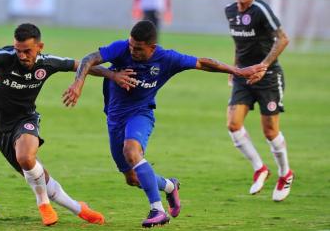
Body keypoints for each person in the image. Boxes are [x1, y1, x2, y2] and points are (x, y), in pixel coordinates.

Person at [62, 20, 266, 228]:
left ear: (152, 47)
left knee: (131, 150)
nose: (132, 51)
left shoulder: (167, 58)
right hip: (114, 118)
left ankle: (157, 210)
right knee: (132, 178)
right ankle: (170, 186)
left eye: (138, 49)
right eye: (131, 46)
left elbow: (203, 63)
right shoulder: (121, 48)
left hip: (141, 114)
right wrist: (79, 83)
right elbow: (89, 59)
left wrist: (238, 71)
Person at [0, 23, 136, 226]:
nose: (22, 56)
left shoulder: (47, 63)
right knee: (36, 173)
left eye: (27, 51)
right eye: (18, 50)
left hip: (25, 119)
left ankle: (43, 204)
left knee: (25, 156)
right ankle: (78, 208)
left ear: (39, 46)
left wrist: (112, 75)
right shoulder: (6, 57)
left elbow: (81, 64)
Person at [225, 0, 293, 202]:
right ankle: (260, 168)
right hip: (243, 76)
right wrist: (234, 70)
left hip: (268, 77)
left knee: (270, 131)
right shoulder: (230, 11)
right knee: (233, 125)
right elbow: (239, 43)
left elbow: (283, 38)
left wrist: (263, 65)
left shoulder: (261, 10)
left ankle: (285, 173)